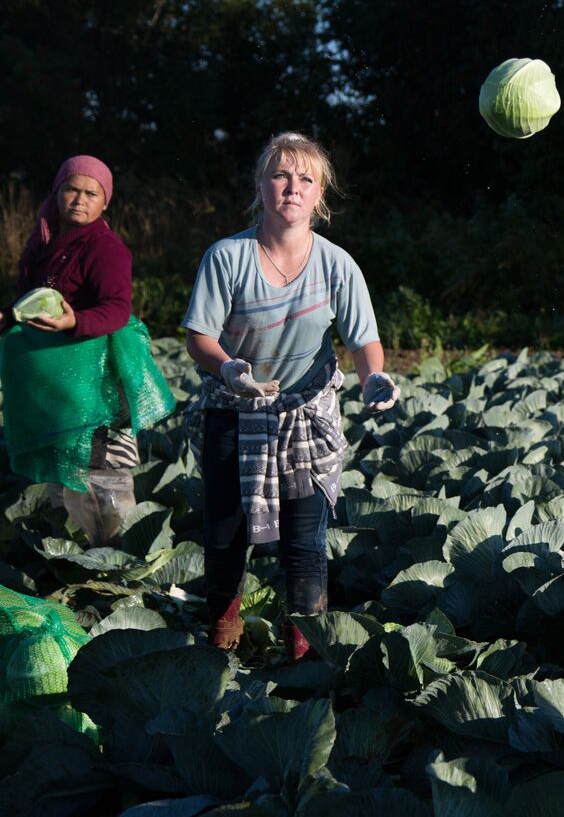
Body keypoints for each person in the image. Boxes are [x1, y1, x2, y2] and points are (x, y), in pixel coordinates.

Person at [182, 131, 400, 659]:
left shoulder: (336, 264)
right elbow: (198, 337)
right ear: (261, 185)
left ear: (320, 194)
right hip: (233, 408)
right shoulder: (227, 256)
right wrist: (230, 367)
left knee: (305, 540)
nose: (292, 187)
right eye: (280, 175)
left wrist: (375, 378)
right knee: (225, 532)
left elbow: (363, 340)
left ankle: (303, 650)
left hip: (306, 414)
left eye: (305, 178)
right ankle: (223, 630)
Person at [0, 156, 173, 543]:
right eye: (72, 189)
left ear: (104, 202)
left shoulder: (105, 248)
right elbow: (30, 304)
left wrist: (73, 322)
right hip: (58, 387)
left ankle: (110, 552)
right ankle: (74, 550)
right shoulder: (43, 244)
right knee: (64, 466)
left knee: (98, 468)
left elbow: (116, 308)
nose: (80, 199)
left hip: (94, 382)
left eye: (91, 193)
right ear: (57, 192)